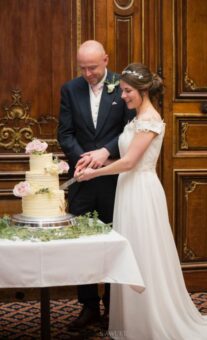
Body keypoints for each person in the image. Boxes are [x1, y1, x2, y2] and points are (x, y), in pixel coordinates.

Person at [75, 63, 207, 339]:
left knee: (144, 254)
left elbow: (131, 162)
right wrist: (95, 159)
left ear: (143, 90)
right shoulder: (135, 119)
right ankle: (134, 322)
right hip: (128, 191)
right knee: (131, 254)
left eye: (127, 91)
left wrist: (93, 174)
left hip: (142, 193)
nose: (122, 96)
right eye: (121, 91)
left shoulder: (150, 120)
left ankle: (152, 320)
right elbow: (123, 156)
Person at [57, 40, 135, 331]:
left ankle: (112, 307)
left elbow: (131, 129)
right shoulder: (69, 89)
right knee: (82, 245)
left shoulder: (122, 86)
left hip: (114, 179)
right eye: (83, 68)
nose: (88, 73)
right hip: (81, 178)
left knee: (113, 242)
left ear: (105, 60)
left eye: (93, 67)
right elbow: (64, 133)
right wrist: (85, 160)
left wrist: (105, 153)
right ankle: (88, 306)